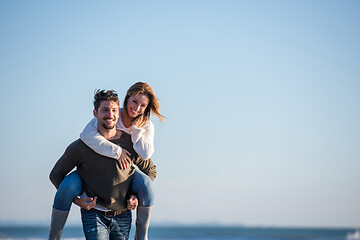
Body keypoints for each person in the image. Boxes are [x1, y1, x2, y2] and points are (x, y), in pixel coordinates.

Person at [48, 83, 165, 240]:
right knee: (69, 183)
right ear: (95, 113)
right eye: (104, 110)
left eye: (114, 110)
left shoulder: (131, 143)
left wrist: (136, 198)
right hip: (94, 215)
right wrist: (78, 201)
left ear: (118, 114)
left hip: (123, 215)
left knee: (145, 183)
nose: (110, 114)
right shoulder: (82, 146)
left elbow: (150, 170)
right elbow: (56, 174)